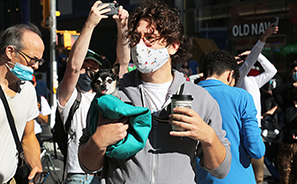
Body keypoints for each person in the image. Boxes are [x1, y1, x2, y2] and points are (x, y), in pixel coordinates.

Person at [78, 0, 231, 183]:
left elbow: (221, 170)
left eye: (150, 38)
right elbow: (88, 166)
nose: (140, 46)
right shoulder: (114, 95)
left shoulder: (200, 98)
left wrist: (208, 137)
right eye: (136, 38)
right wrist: (98, 142)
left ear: (173, 46)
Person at [56, 1, 129, 183]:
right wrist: (90, 24)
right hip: (79, 175)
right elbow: (73, 67)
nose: (86, 70)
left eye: (92, 66)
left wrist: (123, 27)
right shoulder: (70, 98)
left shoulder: (111, 95)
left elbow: (124, 62)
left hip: (110, 173)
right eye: (84, 67)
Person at [196, 50, 265, 183]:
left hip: (200, 178)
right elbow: (256, 149)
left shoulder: (189, 95)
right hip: (239, 178)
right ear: (230, 75)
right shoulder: (242, 97)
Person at [0, 24, 44, 183]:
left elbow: (28, 136)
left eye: (39, 61)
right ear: (10, 52)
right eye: (33, 59)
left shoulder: (28, 90)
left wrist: (36, 164)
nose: (36, 66)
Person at [236, 23, 278, 184]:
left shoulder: (253, 81)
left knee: (258, 176)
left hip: (256, 128)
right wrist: (260, 43)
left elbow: (271, 71)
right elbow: (248, 63)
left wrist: (257, 55)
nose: (243, 61)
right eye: (240, 59)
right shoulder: (238, 78)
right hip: (243, 129)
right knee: (247, 171)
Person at [272, 61, 297, 184]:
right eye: (295, 71)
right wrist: (293, 85)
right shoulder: (288, 105)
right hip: (287, 148)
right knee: (286, 180)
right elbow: (276, 92)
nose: (296, 73)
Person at [30, 75, 52, 146]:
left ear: (35, 83)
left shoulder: (40, 100)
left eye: (31, 83)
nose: (29, 85)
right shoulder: (17, 99)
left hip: (35, 134)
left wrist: (35, 111)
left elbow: (45, 120)